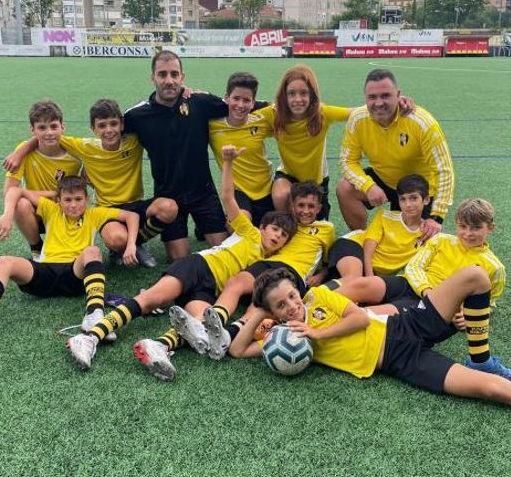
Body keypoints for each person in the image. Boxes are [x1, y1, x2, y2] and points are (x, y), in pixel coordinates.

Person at [229, 268, 511, 446]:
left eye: (289, 297)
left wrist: (316, 330)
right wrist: (261, 313)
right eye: (279, 306)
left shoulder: (320, 299)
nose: (290, 308)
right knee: (494, 391)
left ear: (298, 291)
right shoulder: (285, 338)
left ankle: (481, 355)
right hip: (400, 363)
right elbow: (238, 349)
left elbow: (357, 320)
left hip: (404, 327)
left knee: (475, 277)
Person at [64, 145, 296, 378]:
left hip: (210, 289)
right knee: (149, 299)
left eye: (283, 236)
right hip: (198, 266)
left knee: (201, 325)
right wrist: (228, 162)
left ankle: (159, 345)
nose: (277, 236)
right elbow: (227, 196)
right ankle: (89, 337)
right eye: (275, 229)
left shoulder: (270, 263)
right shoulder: (250, 232)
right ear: (263, 227)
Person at [0, 176, 139, 350]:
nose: (73, 205)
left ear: (86, 200)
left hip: (75, 274)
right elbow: (15, 190)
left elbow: (132, 216)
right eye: (67, 200)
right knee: (4, 261)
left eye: (78, 199)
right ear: (59, 201)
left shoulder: (95, 214)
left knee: (93, 251)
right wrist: (8, 214)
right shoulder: (51, 210)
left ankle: (94, 316)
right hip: (43, 272)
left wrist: (131, 245)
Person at [334, 198, 511, 383]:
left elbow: (490, 300)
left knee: (370, 315)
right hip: (413, 286)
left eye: (475, 228)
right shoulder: (441, 240)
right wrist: (426, 290)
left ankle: (326, 326)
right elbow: (414, 267)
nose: (467, 233)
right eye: (463, 226)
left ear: (490, 228)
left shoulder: (495, 267)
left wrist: (467, 315)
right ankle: (316, 300)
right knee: (363, 285)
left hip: (436, 306)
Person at [2, 99, 178, 268]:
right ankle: (37, 249)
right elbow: (45, 138)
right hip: (94, 207)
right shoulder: (82, 148)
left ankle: (135, 244)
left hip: (130, 203)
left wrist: (183, 92)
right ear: (93, 128)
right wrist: (20, 152)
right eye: (102, 125)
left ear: (122, 124)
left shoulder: (133, 141)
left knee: (168, 207)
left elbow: (50, 136)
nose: (108, 130)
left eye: (113, 124)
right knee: (22, 203)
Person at [174, 180, 335, 362]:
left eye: (311, 206)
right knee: (236, 283)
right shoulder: (287, 225)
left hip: (293, 272)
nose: (305, 211)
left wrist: (320, 275)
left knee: (261, 306)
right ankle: (210, 324)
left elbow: (329, 261)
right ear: (292, 205)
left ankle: (229, 333)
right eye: (301, 205)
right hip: (268, 263)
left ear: (319, 207)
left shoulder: (326, 229)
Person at [123, 51, 243, 261]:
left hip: (203, 193)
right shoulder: (136, 115)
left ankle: (203, 226)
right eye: (162, 74)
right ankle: (140, 241)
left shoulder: (199, 102)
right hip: (169, 196)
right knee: (179, 258)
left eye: (174, 74)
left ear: (182, 77)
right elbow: (109, 134)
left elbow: (237, 105)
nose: (169, 81)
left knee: (223, 253)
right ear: (153, 78)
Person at [337, 69, 454, 243]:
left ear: (398, 95)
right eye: (372, 97)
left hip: (418, 189)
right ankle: (362, 238)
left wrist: (436, 217)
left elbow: (444, 171)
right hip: (385, 181)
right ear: (365, 98)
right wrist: (368, 186)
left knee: (418, 244)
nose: (378, 103)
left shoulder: (421, 122)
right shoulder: (358, 119)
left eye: (385, 96)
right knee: (345, 188)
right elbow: (347, 161)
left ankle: (417, 219)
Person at [258, 65, 351, 220]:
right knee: (281, 195)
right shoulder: (274, 115)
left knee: (315, 227)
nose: (297, 99)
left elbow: (357, 112)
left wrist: (397, 103)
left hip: (317, 181)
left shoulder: (322, 114)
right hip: (288, 175)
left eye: (303, 93)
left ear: (312, 95)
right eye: (291, 93)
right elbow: (242, 111)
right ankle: (288, 228)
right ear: (284, 96)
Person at [0, 100, 84, 259]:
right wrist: (7, 214)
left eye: (53, 126)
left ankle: (69, 239)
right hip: (36, 212)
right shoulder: (23, 152)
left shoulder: (75, 154)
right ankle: (37, 248)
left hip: (64, 210)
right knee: (20, 203)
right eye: (42, 128)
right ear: (33, 130)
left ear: (62, 127)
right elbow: (9, 191)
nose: (49, 132)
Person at [327, 174, 430, 280]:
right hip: (353, 245)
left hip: (371, 271)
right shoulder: (384, 216)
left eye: (413, 198)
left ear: (426, 200)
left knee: (355, 291)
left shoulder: (428, 233)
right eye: (403, 199)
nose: (408, 204)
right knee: (354, 281)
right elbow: (368, 249)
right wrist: (370, 278)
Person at [208, 72, 275, 226]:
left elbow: (285, 112)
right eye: (236, 98)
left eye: (246, 100)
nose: (240, 105)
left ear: (253, 103)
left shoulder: (261, 120)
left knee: (278, 231)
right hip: (238, 192)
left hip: (266, 189)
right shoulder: (212, 125)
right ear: (226, 98)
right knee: (240, 226)